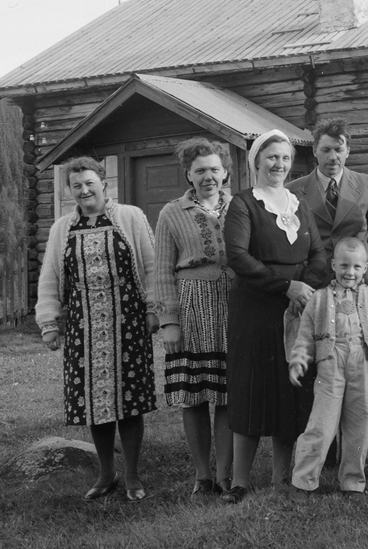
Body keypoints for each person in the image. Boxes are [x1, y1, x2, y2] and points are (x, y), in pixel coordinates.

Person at [36, 157, 158, 502]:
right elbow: (50, 277)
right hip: (83, 327)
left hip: (129, 323)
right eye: (76, 186)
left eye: (90, 183)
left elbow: (150, 266)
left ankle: (133, 475)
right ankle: (107, 474)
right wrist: (49, 322)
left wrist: (153, 309)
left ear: (104, 183)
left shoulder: (130, 217)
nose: (84, 190)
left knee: (129, 400)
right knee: (95, 402)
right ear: (69, 190)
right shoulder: (63, 228)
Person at [222, 130, 328, 504]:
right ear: (256, 162)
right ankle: (239, 481)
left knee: (290, 389)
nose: (279, 165)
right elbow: (238, 256)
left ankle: (282, 476)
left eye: (284, 158)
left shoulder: (298, 203)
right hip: (256, 307)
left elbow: (318, 254)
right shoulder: (243, 204)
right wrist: (285, 287)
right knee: (250, 387)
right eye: (271, 158)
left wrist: (304, 291)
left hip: (297, 309)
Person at [154, 138, 235, 498]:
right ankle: (202, 477)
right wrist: (169, 321)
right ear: (188, 174)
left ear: (225, 172)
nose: (208, 177)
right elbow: (160, 272)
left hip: (234, 307)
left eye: (214, 169)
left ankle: (225, 474)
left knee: (229, 394)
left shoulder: (242, 206)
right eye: (200, 170)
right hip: (192, 308)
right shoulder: (172, 212)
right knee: (195, 394)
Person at [288, 237, 368, 495]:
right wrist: (299, 359)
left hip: (362, 361)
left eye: (357, 267)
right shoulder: (319, 299)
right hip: (331, 362)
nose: (350, 272)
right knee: (321, 424)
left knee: (359, 425)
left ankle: (352, 482)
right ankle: (303, 482)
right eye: (344, 265)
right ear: (334, 265)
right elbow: (304, 335)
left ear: (365, 267)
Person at [287, 118, 368, 289]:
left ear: (347, 151)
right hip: (316, 281)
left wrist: (363, 264)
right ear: (314, 150)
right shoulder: (293, 190)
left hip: (362, 280)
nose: (333, 157)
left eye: (339, 149)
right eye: (326, 150)